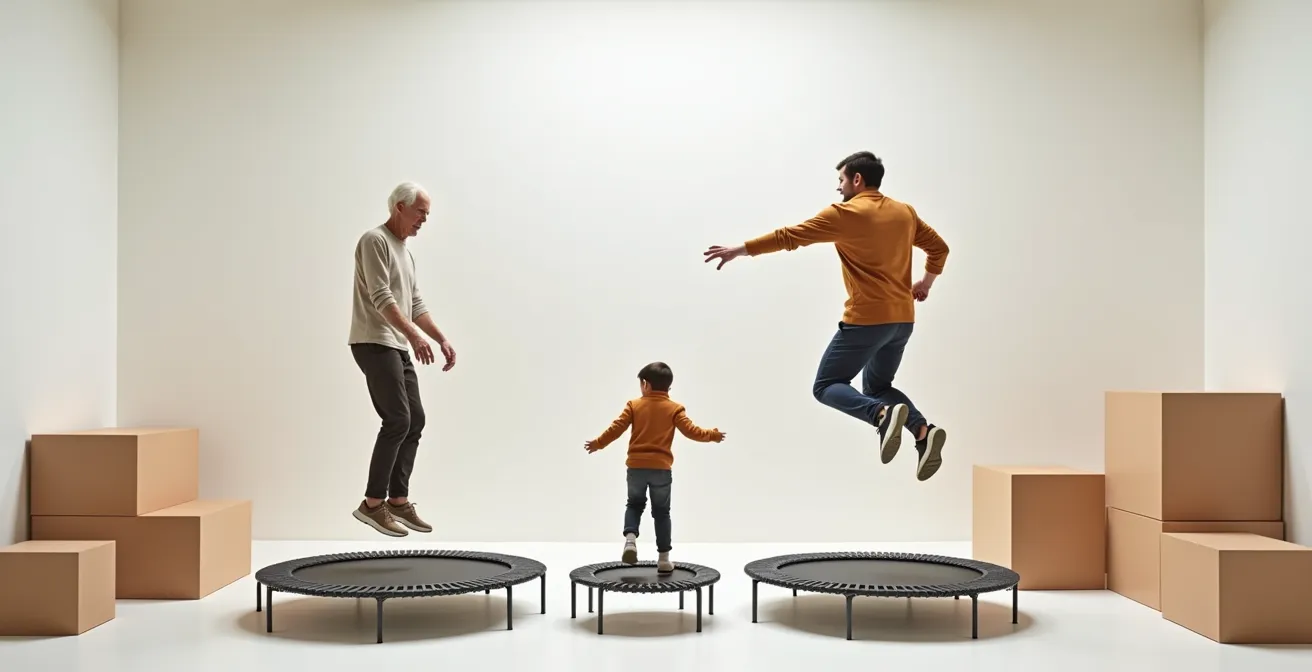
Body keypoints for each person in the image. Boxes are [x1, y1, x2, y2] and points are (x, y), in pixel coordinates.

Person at [702, 151, 950, 481]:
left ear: (857, 180)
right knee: (878, 385)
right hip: (902, 321)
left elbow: (789, 237)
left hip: (866, 320)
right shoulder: (905, 212)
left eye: (841, 180)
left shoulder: (845, 213)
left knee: (826, 385)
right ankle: (922, 432)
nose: (839, 188)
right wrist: (925, 284)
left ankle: (879, 415)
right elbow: (940, 248)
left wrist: (740, 249)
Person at [347, 181, 456, 537]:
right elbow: (380, 297)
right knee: (397, 418)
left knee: (415, 419)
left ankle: (398, 501)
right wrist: (413, 336)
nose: (424, 219)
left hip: (396, 343)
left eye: (427, 214)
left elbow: (415, 304)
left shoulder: (405, 252)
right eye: (421, 212)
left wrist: (440, 339)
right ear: (399, 207)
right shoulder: (374, 241)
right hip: (373, 341)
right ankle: (372, 504)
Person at [585, 362, 726, 572]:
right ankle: (663, 559)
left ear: (646, 385)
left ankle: (631, 539)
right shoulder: (675, 409)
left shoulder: (634, 405)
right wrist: (712, 435)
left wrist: (598, 443)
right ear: (668, 387)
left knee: (634, 505)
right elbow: (692, 431)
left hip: (635, 468)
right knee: (661, 513)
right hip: (661, 469)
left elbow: (616, 429)